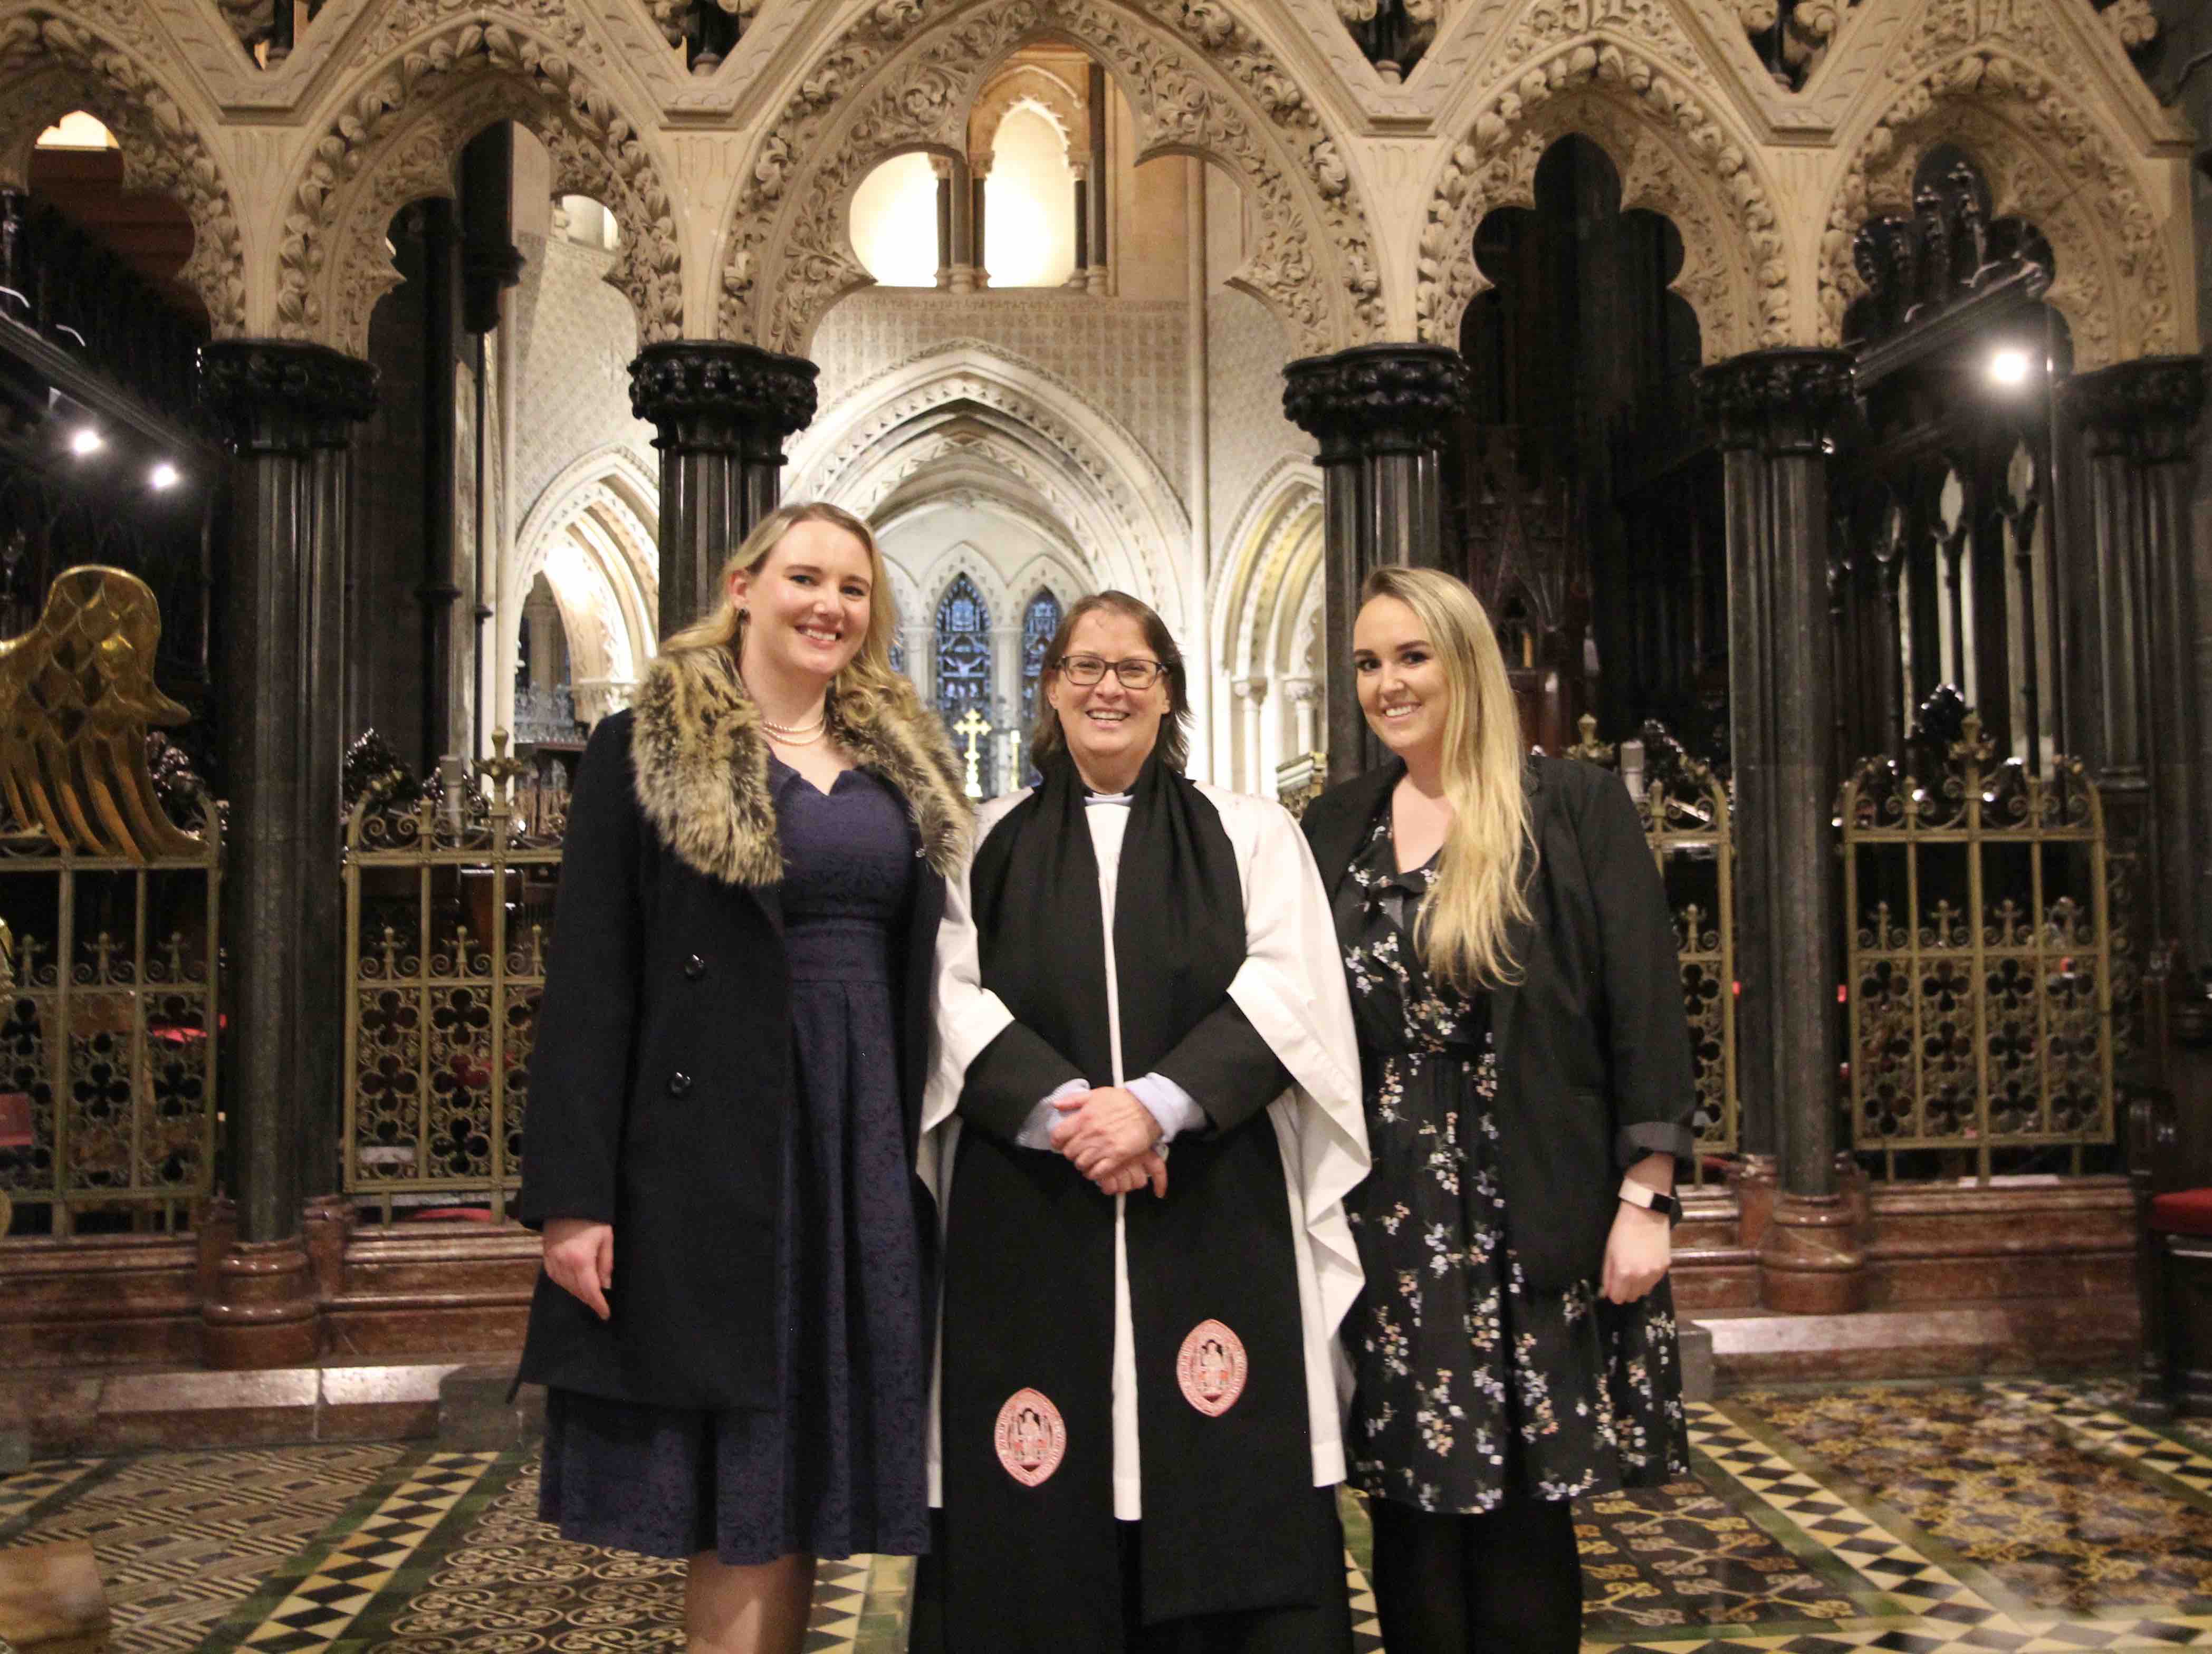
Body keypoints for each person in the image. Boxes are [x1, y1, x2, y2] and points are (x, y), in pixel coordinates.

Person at [514, 502, 970, 1654]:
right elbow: (592, 976)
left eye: (854, 590)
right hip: (719, 1141)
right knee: (739, 1483)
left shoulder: (897, 757)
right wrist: (576, 1197)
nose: (830, 606)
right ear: (744, 585)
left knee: (810, 1464)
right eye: (806, 579)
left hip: (863, 1136)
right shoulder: (646, 745)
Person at [912, 591, 1369, 1654]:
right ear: (1050, 687)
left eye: (1133, 668)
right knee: (1042, 1496)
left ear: (1169, 690)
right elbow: (946, 994)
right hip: (1036, 1202)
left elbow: (1290, 988)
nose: (1107, 687)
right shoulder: (981, 842)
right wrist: (1078, 1116)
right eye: (1083, 667)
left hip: (1211, 1197)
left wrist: (1156, 1108)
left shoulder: (1250, 834)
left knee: (1221, 1466)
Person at [1299, 566, 1695, 1654]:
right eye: (1370, 662)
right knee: (1406, 1506)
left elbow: (1646, 1009)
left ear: (1467, 658)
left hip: (1532, 1201)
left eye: (1412, 655)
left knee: (1525, 1508)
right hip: (1382, 1210)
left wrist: (1645, 1197)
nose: (1388, 682)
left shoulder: (1569, 805)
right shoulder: (1336, 821)